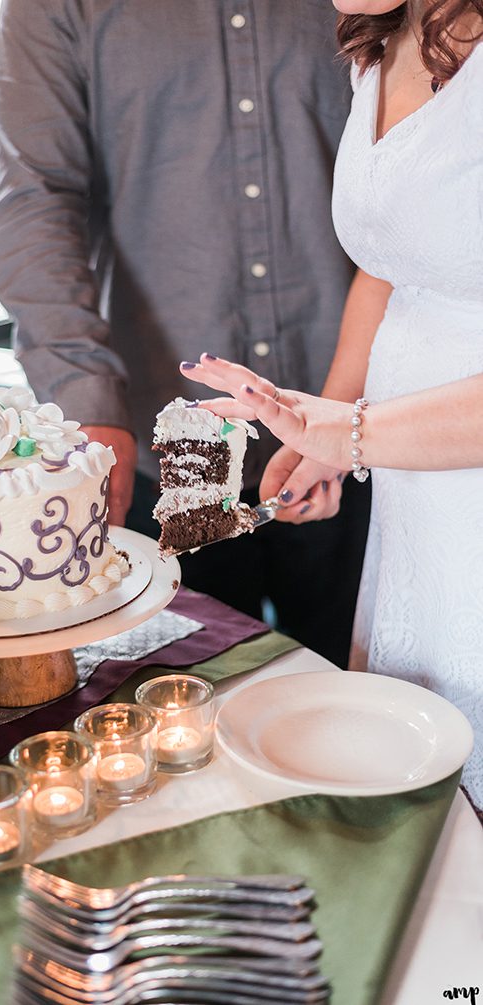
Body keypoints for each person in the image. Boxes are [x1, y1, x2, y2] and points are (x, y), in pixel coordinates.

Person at [0, 0, 372, 665]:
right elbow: (38, 195)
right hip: (176, 440)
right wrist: (85, 394)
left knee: (365, 708)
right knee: (192, 709)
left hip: (356, 413)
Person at [182, 0, 483, 804]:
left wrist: (350, 432)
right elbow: (392, 260)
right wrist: (330, 427)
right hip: (414, 484)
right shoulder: (377, 45)